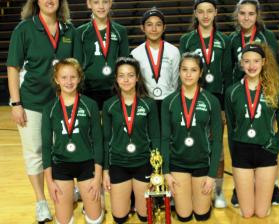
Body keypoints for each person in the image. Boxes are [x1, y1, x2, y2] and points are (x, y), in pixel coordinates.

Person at [6, 0, 74, 222]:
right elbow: (13, 67)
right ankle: (41, 201)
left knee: (61, 151)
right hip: (32, 102)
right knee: (34, 152)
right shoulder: (25, 28)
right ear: (36, 2)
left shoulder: (68, 29)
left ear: (60, 0)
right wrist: (16, 103)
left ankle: (64, 190)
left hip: (61, 104)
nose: (49, 0)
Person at [229, 0, 279, 207]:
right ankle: (239, 187)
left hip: (265, 93)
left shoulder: (268, 36)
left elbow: (274, 67)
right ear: (237, 15)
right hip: (241, 95)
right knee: (239, 137)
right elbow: (229, 70)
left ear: (257, 15)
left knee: (268, 135)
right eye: (242, 13)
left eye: (251, 13)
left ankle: (272, 186)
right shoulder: (232, 39)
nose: (246, 17)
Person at [179, 0, 231, 208]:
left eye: (210, 11)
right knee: (194, 144)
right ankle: (193, 189)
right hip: (192, 100)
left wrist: (226, 108)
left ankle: (218, 192)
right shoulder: (187, 40)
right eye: (201, 11)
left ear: (216, 13)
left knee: (217, 149)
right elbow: (183, 73)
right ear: (195, 14)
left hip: (217, 101)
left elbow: (228, 75)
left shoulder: (225, 40)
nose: (205, 15)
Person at [225, 43, 279, 218]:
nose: (251, 66)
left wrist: (276, 147)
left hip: (266, 151)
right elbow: (230, 126)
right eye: (247, 61)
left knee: (261, 213)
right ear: (241, 63)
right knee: (246, 213)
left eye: (256, 61)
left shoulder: (275, 91)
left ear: (264, 62)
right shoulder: (232, 92)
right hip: (241, 154)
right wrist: (234, 153)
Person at [161, 52, 223, 222]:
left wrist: (212, 176)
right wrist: (166, 172)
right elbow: (165, 139)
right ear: (179, 71)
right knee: (184, 216)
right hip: (178, 164)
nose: (188, 74)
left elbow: (217, 141)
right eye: (184, 69)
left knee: (201, 216)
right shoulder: (169, 102)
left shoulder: (211, 101)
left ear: (200, 72)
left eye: (193, 70)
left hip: (203, 164)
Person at [42, 58, 104, 224]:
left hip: (87, 165)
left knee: (95, 219)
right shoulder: (50, 108)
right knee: (63, 221)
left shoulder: (89, 105)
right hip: (61, 165)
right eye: (64, 77)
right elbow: (46, 147)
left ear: (79, 78)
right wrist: (49, 182)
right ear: (56, 79)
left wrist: (98, 178)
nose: (68, 82)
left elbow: (98, 142)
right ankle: (73, 196)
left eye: (73, 77)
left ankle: (91, 202)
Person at [102, 57, 160, 224]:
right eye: (121, 75)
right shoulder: (109, 105)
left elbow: (155, 137)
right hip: (119, 163)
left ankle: (141, 204)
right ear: (116, 78)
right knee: (119, 218)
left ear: (137, 78)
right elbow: (106, 139)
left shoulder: (148, 104)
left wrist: (157, 170)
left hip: (143, 163)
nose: (126, 80)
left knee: (145, 216)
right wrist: (106, 170)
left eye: (130, 75)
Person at [74, 0, 129, 110]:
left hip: (114, 88)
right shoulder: (81, 32)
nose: (101, 6)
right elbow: (77, 63)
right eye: (96, 2)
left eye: (105, 2)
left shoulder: (120, 31)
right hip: (87, 88)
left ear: (110, 3)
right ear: (89, 4)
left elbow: (125, 61)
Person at [131, 7, 180, 118]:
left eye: (158, 24)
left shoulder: (174, 51)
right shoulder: (135, 53)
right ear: (142, 28)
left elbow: (175, 81)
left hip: (168, 102)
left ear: (164, 27)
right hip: (146, 102)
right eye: (149, 24)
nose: (154, 29)